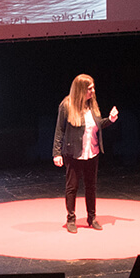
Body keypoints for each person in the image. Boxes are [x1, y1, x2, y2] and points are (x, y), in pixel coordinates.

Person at [52, 74, 119, 233]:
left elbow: (97, 125)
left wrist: (110, 119)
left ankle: (92, 218)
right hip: (73, 153)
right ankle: (71, 219)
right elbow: (59, 130)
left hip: (92, 152)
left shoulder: (92, 105)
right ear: (81, 90)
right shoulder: (66, 105)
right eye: (90, 89)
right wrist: (57, 153)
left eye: (93, 88)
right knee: (72, 187)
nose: (93, 91)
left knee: (91, 187)